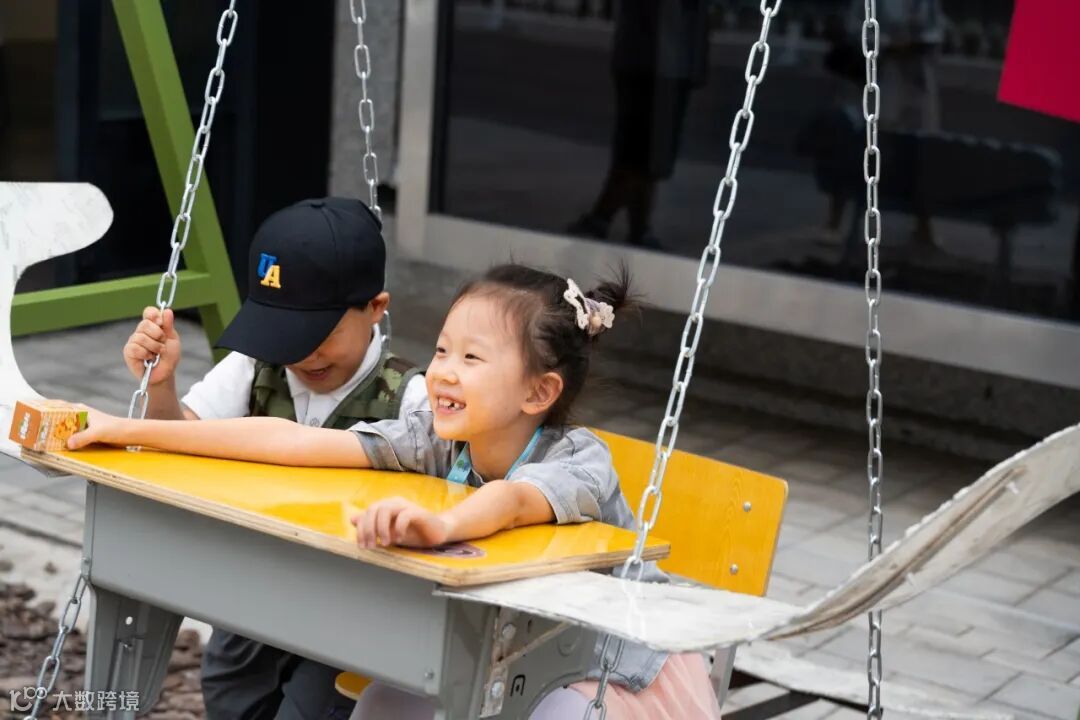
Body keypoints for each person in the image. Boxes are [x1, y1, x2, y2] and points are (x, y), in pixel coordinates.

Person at [77, 264, 722, 720]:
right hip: (507, 651)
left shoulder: (578, 460)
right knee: (384, 703)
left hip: (610, 668)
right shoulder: (437, 440)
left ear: (538, 392)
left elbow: (511, 502)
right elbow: (293, 441)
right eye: (441, 350)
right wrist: (127, 430)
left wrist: (437, 526)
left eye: (472, 359)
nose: (442, 372)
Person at [122, 196, 427, 720]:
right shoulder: (254, 368)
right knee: (229, 692)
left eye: (320, 335)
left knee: (312, 710)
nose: (303, 354)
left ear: (376, 308)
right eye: (285, 334)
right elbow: (179, 440)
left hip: (353, 609)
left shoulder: (410, 400)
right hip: (256, 583)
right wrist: (161, 386)